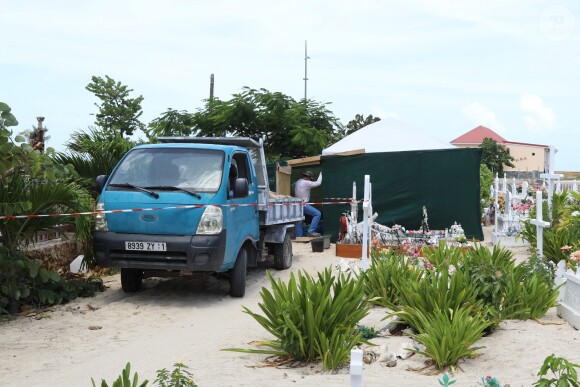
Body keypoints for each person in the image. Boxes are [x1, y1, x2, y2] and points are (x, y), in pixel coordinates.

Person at [294, 170, 322, 237]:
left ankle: (298, 237)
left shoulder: (298, 182)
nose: (310, 180)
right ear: (308, 177)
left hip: (297, 204)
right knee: (317, 214)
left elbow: (293, 185)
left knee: (299, 221)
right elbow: (318, 183)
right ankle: (311, 231)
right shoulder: (306, 183)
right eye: (310, 178)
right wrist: (321, 173)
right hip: (304, 204)